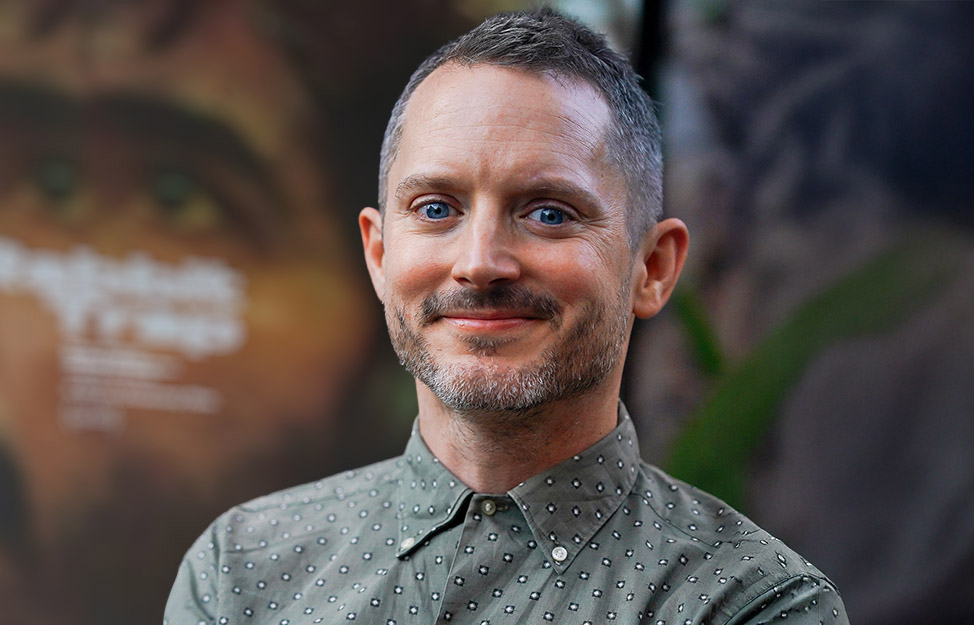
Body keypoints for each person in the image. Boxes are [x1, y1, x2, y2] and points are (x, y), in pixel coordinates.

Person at [165, 9, 848, 623]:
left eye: (548, 212)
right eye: (437, 208)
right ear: (379, 253)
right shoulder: (242, 572)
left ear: (653, 267)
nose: (480, 262)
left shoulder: (752, 604)